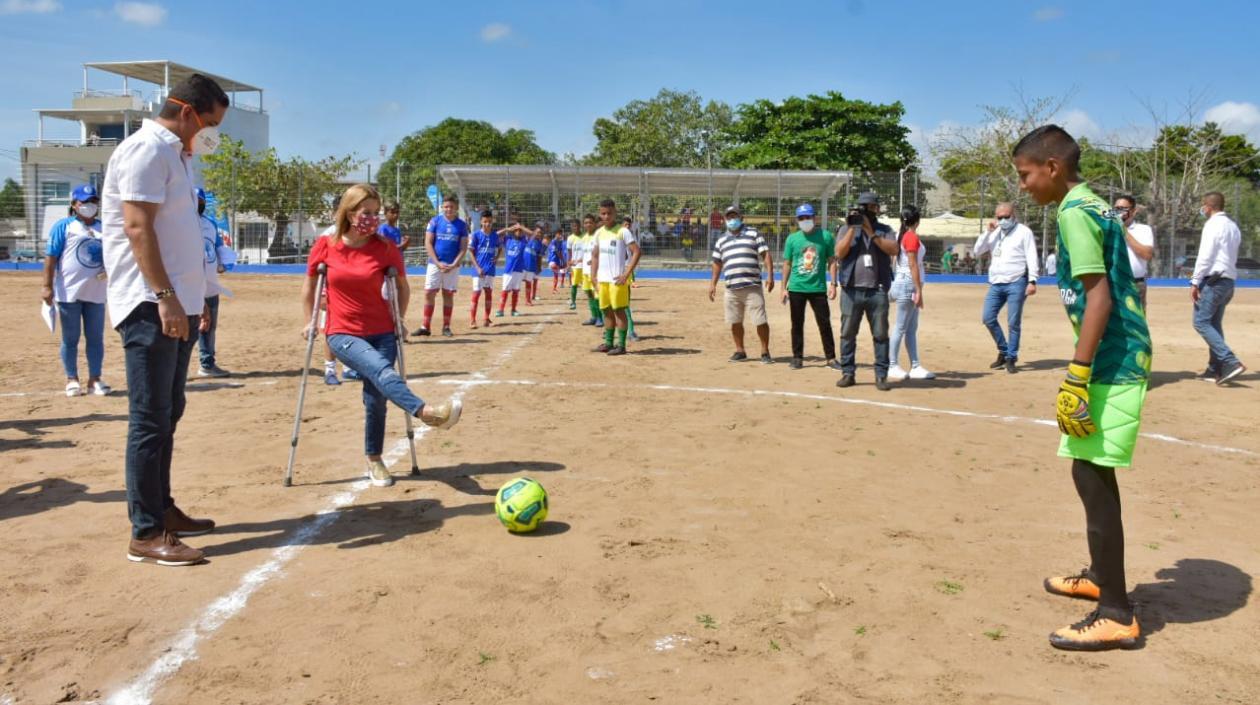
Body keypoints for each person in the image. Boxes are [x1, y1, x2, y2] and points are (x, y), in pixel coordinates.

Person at [1013, 123, 1150, 651]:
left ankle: (1116, 611)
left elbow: (1099, 298)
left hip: (1114, 360)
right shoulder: (1094, 202)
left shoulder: (1074, 212)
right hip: (1118, 355)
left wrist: (1077, 371)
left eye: (1026, 175)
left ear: (1052, 167)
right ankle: (1100, 574)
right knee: (1088, 467)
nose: (1023, 186)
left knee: (1091, 475)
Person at [101, 73, 225, 566]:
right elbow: (137, 228)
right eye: (210, 124)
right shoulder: (146, 150)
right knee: (150, 419)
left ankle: (163, 508)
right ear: (190, 113)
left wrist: (197, 302)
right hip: (150, 306)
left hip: (179, 305)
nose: (211, 134)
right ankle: (146, 532)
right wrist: (167, 298)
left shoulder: (177, 154)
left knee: (169, 413)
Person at [302, 184, 462, 488]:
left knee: (376, 398)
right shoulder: (326, 245)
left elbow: (402, 286)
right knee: (381, 370)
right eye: (367, 213)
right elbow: (310, 285)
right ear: (349, 213)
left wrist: (399, 318)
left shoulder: (385, 248)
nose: (373, 219)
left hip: (382, 330)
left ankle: (374, 459)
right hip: (342, 332)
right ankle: (426, 412)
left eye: (377, 213)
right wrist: (310, 320)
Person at [41, 183, 110, 397]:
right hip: (69, 292)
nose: (89, 206)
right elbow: (51, 258)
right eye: (85, 202)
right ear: (74, 204)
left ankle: (95, 379)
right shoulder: (64, 226)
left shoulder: (104, 228)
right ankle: (72, 378)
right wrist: (47, 286)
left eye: (93, 202)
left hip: (96, 291)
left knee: (95, 337)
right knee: (71, 338)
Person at [832, 192, 898, 390]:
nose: (865, 211)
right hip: (851, 290)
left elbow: (893, 249)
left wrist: (871, 233)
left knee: (880, 334)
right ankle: (848, 373)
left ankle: (881, 375)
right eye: (861, 207)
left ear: (876, 208)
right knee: (847, 333)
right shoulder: (846, 228)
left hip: (877, 290)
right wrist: (853, 229)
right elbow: (839, 252)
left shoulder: (884, 230)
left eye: (869, 207)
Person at [974, 202, 1040, 373]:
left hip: (1017, 281)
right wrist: (987, 232)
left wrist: (1032, 281)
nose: (1003, 220)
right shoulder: (994, 233)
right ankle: (1003, 350)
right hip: (996, 282)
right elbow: (977, 251)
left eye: (1006, 216)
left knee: (1013, 322)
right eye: (999, 217)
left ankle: (1011, 357)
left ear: (1014, 216)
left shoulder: (1024, 232)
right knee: (988, 318)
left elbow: (1031, 255)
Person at [1190, 191, 1246, 384]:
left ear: (1208, 206)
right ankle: (1215, 369)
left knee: (1201, 322)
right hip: (1228, 280)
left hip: (1213, 280)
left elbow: (1205, 256)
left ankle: (1230, 361)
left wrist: (1195, 281)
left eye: (1203, 205)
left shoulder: (1212, 225)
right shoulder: (1233, 226)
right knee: (1214, 323)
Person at [709, 205, 773, 363]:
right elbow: (717, 263)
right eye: (729, 217)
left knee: (760, 320)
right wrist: (713, 284)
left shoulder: (753, 233)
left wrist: (770, 275)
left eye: (734, 216)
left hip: (752, 286)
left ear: (741, 218)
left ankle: (765, 352)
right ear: (725, 220)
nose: (732, 220)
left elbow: (765, 254)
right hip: (732, 288)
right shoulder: (721, 240)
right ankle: (740, 351)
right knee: (735, 321)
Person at [781, 203, 839, 371]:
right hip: (797, 288)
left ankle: (831, 358)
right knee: (797, 324)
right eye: (801, 218)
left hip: (818, 288)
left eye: (808, 217)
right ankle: (797, 357)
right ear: (797, 220)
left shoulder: (826, 236)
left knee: (825, 323)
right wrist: (783, 288)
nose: (805, 220)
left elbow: (832, 261)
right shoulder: (792, 239)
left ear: (815, 218)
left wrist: (833, 283)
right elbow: (787, 263)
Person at [887, 205, 934, 381]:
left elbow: (896, 261)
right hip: (908, 284)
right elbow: (913, 264)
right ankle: (892, 364)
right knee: (901, 327)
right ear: (918, 220)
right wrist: (918, 289)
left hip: (903, 282)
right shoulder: (910, 237)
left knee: (910, 328)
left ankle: (915, 365)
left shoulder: (899, 236)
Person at [589, 199, 641, 355]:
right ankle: (609, 343)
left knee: (619, 311)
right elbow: (595, 255)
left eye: (609, 213)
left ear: (615, 213)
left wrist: (626, 274)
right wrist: (593, 276)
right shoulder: (599, 232)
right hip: (602, 280)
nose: (606, 216)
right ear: (600, 214)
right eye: (603, 213)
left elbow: (637, 252)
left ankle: (621, 345)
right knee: (606, 311)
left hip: (617, 281)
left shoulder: (622, 231)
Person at [414, 196, 468, 337]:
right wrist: (437, 262)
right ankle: (425, 326)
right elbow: (428, 242)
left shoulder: (462, 225)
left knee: (448, 294)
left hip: (452, 266)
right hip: (435, 264)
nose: (448, 209)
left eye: (451, 206)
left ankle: (446, 327)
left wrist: (454, 264)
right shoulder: (435, 221)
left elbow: (463, 247)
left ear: (456, 208)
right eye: (446, 206)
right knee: (429, 293)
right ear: (442, 207)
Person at [195, 188, 231, 378]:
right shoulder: (182, 224)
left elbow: (217, 247)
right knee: (186, 326)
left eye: (200, 200)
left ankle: (207, 364)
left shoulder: (210, 224)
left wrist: (223, 262)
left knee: (208, 327)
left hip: (210, 285)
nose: (197, 204)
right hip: (189, 287)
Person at [1113, 195, 1154, 309]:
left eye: (1123, 208)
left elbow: (1147, 254)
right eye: (1116, 208)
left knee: (1136, 324)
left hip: (1135, 284)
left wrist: (1123, 231)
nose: (1119, 212)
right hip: (1112, 283)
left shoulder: (1144, 230)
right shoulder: (1108, 229)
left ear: (1134, 211)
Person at [468, 212, 500, 328]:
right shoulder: (476, 235)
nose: (487, 224)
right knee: (476, 294)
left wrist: (496, 258)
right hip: (479, 270)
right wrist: (477, 267)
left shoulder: (495, 236)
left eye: (490, 222)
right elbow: (470, 251)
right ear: (481, 222)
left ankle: (486, 318)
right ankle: (472, 320)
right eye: (485, 222)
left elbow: (499, 247)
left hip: (490, 269)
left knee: (488, 293)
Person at [496, 222, 527, 317]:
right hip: (508, 270)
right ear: (513, 231)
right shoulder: (507, 240)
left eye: (520, 231)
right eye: (516, 230)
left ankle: (513, 310)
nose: (518, 232)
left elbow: (532, 234)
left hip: (518, 270)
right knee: (505, 290)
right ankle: (501, 310)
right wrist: (507, 229)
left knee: (516, 290)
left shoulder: (524, 241)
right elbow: (495, 234)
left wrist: (522, 226)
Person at [578, 214, 603, 326]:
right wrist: (578, 260)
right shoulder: (583, 237)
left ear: (594, 224)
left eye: (590, 222)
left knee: (597, 294)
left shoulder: (598, 236)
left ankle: (600, 318)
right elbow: (585, 254)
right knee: (588, 293)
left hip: (595, 272)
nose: (588, 224)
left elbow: (601, 253)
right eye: (586, 223)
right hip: (585, 271)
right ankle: (594, 316)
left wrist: (594, 262)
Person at [523, 225, 544, 305]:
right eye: (538, 232)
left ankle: (528, 300)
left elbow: (539, 257)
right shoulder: (529, 238)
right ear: (534, 232)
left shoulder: (540, 244)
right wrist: (521, 227)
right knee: (516, 283)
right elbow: (527, 231)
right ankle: (513, 300)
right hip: (523, 265)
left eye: (540, 233)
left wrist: (538, 267)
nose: (539, 234)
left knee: (528, 283)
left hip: (531, 266)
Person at [566, 222, 582, 310]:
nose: (575, 227)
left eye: (576, 225)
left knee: (590, 287)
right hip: (575, 266)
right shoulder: (570, 238)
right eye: (573, 226)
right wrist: (569, 263)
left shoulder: (585, 236)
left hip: (585, 266)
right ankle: (573, 302)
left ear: (580, 226)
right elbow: (569, 252)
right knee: (574, 285)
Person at [547, 226, 568, 293]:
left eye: (561, 234)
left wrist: (563, 261)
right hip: (552, 261)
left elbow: (561, 253)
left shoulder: (560, 242)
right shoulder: (553, 242)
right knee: (557, 269)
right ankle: (560, 271)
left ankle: (554, 289)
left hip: (557, 261)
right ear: (556, 234)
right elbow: (556, 252)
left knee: (556, 275)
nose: (560, 235)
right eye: (559, 234)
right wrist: (562, 260)